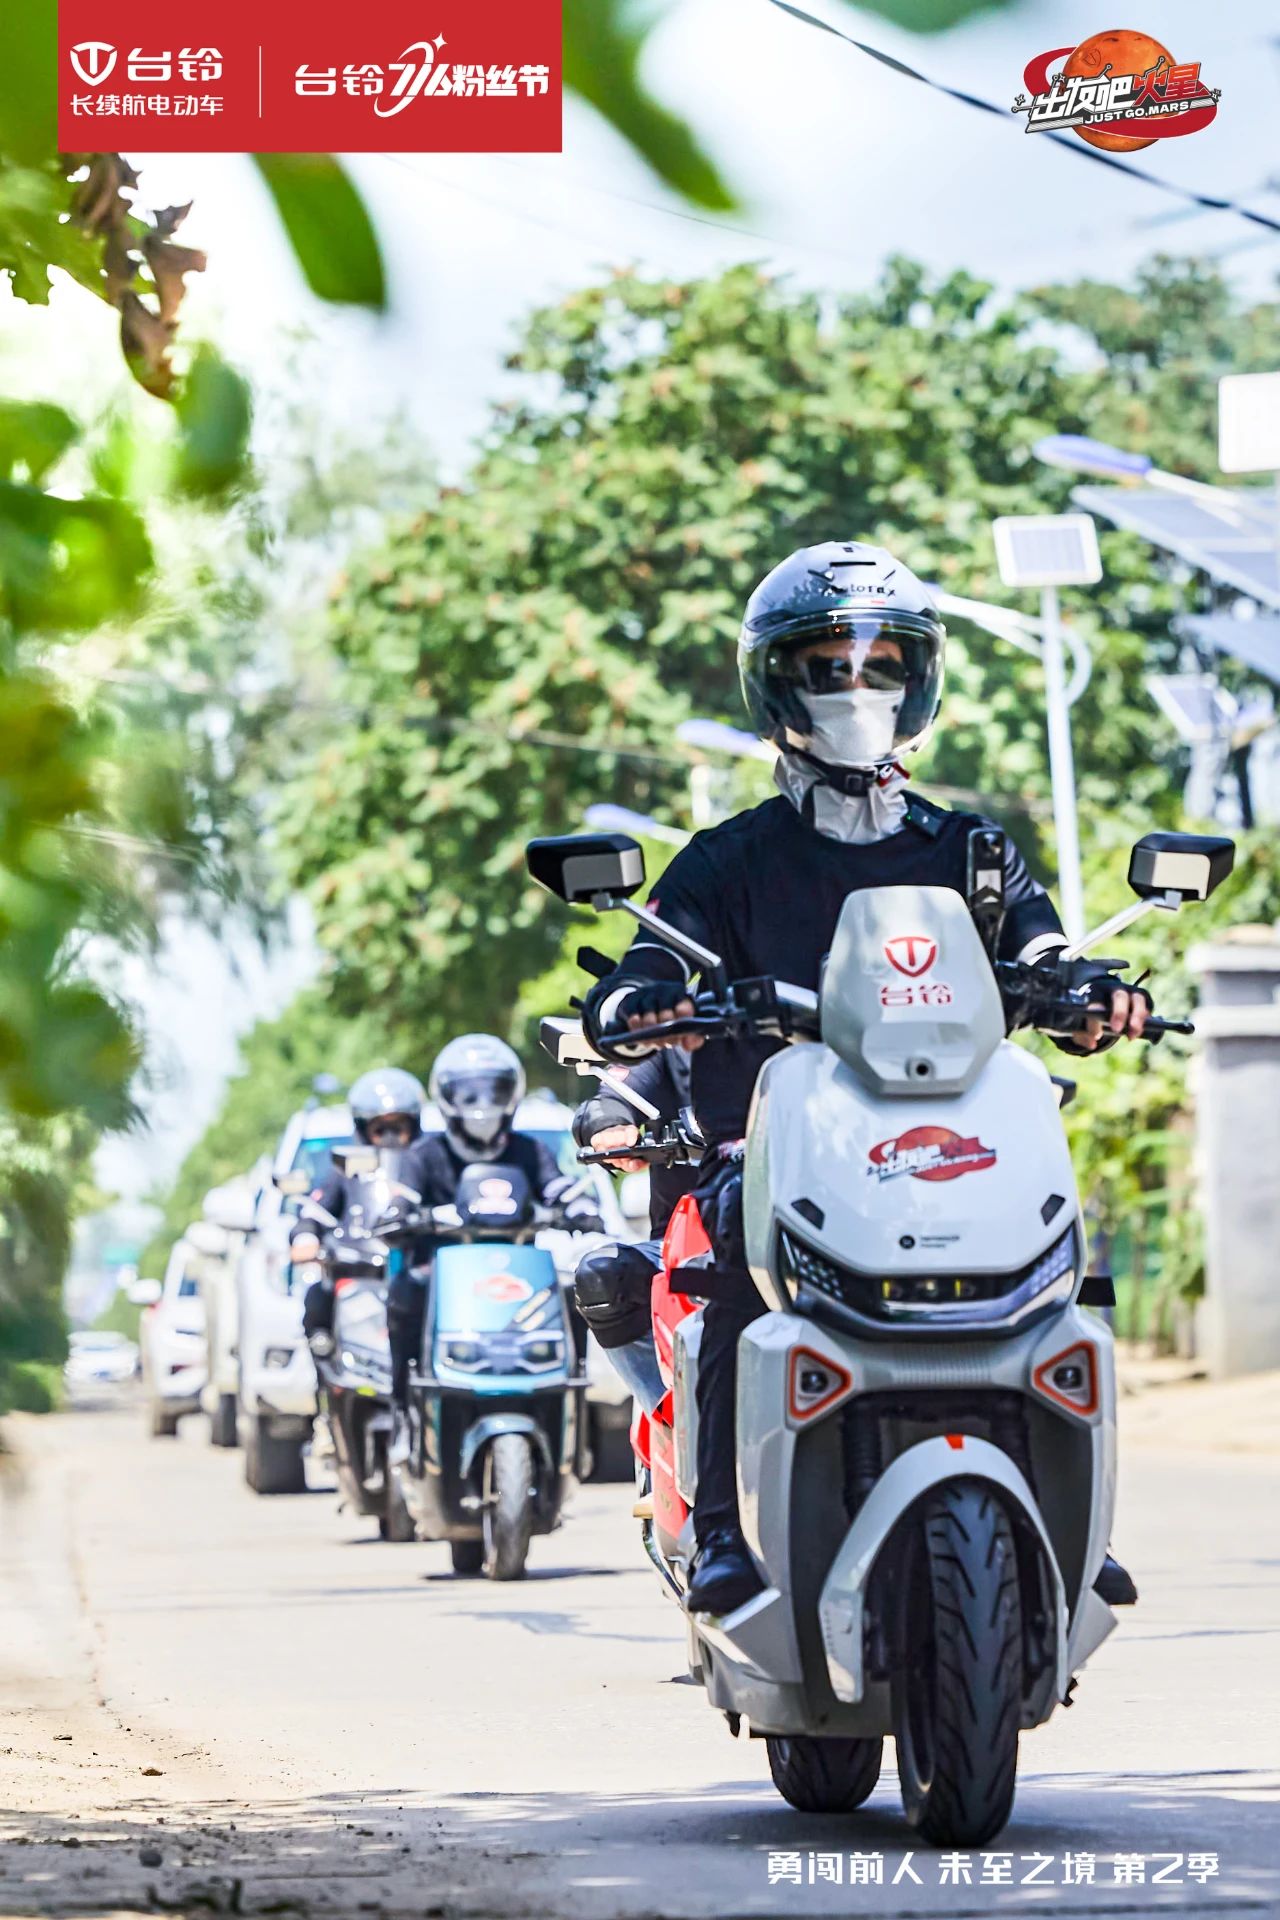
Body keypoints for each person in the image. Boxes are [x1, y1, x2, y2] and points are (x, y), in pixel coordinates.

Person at [582, 540, 1151, 1616]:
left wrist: (1089, 998)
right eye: (827, 666)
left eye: (880, 665)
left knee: (1072, 1266)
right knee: (726, 1274)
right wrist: (636, 998)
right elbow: (652, 959)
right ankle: (716, 1534)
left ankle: (1086, 1512)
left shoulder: (971, 849)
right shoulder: (724, 859)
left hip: (947, 1142)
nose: (856, 689)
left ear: (918, 681)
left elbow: (1038, 954)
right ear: (776, 685)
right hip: (779, 1144)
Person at [380, 1035, 601, 1424]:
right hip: (440, 1280)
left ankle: (573, 1412)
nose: (481, 1105)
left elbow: (558, 1187)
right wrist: (400, 1215)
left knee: (572, 1291)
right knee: (404, 1292)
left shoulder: (530, 1150)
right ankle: (404, 1409)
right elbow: (401, 1199)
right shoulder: (423, 1154)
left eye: (492, 1091)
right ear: (447, 1097)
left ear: (511, 1094)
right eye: (468, 1094)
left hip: (521, 1284)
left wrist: (580, 1208)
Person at [571, 1048, 699, 1415]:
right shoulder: (677, 1042)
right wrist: (609, 1125)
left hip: (808, 1231)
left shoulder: (820, 1029)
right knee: (602, 1278)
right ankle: (668, 1415)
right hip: (689, 1243)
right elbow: (609, 1099)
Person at [291, 1067, 429, 1349]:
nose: (389, 1137)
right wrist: (307, 1238)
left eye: (398, 1128)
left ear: (412, 1128)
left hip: (415, 1275)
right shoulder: (346, 1171)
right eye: (380, 1129)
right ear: (364, 1131)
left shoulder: (427, 1167)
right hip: (358, 1272)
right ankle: (327, 1360)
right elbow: (314, 1213)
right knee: (318, 1297)